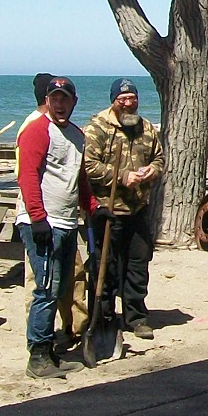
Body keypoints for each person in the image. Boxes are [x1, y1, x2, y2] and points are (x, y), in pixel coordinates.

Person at [15, 77, 97, 379]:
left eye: (65, 99)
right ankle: (37, 356)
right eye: (55, 99)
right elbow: (27, 175)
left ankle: (50, 350)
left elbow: (79, 180)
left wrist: (93, 208)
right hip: (42, 223)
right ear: (47, 101)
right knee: (46, 289)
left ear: (74, 102)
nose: (60, 104)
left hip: (66, 221)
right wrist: (37, 218)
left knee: (61, 286)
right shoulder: (37, 130)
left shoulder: (77, 136)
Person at [82, 78, 165, 341]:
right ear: (114, 101)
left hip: (138, 208)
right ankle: (105, 318)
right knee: (105, 267)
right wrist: (120, 177)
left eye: (132, 99)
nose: (129, 104)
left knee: (138, 265)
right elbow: (88, 166)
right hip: (108, 210)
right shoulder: (97, 128)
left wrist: (152, 170)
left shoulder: (147, 128)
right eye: (123, 99)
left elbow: (159, 158)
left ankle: (136, 317)